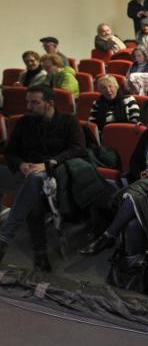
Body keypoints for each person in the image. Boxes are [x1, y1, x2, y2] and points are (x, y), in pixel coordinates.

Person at [79, 97, 148, 279]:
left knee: (141, 188)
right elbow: (134, 162)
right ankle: (133, 278)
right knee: (133, 224)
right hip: (146, 188)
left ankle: (108, 235)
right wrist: (142, 173)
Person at [0, 85, 86, 272]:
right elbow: (10, 151)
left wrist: (50, 163)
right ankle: (38, 253)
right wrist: (21, 164)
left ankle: (10, 239)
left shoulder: (68, 121)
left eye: (35, 102)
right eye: (28, 102)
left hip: (57, 171)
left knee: (35, 185)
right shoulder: (25, 122)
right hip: (29, 172)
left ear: (50, 103)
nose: (29, 106)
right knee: (33, 192)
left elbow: (78, 149)